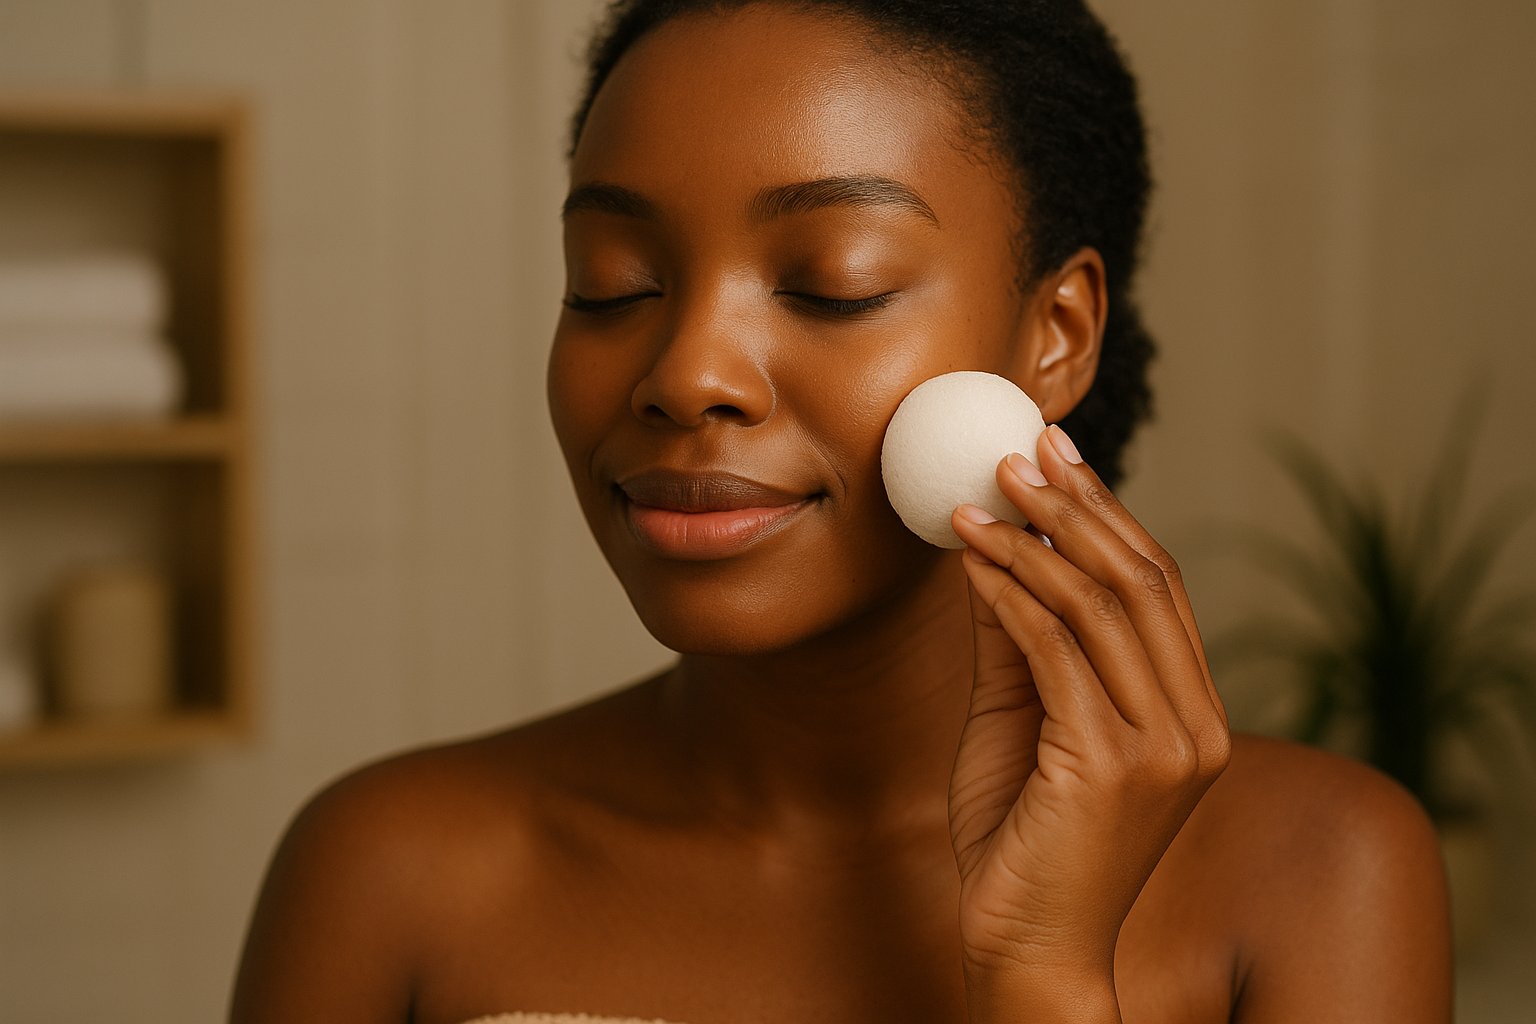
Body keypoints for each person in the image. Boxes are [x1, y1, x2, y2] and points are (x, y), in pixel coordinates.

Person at [231, 2, 1454, 1021]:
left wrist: (1044, 974)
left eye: (833, 284)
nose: (686, 373)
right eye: (614, 288)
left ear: (1055, 335)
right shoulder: (385, 874)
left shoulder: (1320, 874)